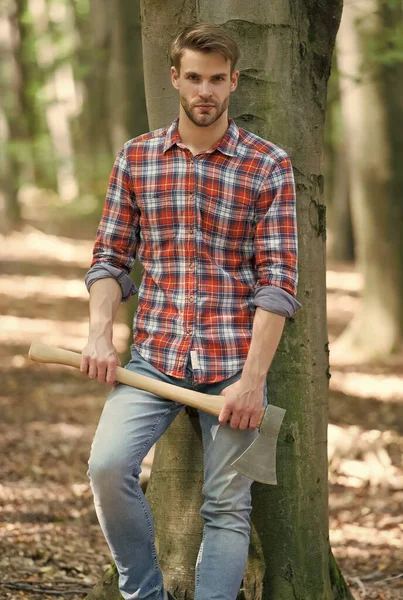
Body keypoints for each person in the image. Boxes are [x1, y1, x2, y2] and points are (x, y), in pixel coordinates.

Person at [81, 22, 301, 600]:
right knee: (106, 468)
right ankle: (144, 594)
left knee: (228, 506)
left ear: (233, 84)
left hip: (233, 367)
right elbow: (109, 259)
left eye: (217, 80)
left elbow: (278, 285)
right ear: (175, 78)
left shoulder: (268, 165)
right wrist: (100, 335)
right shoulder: (138, 158)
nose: (205, 91)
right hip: (153, 360)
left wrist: (252, 383)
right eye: (195, 78)